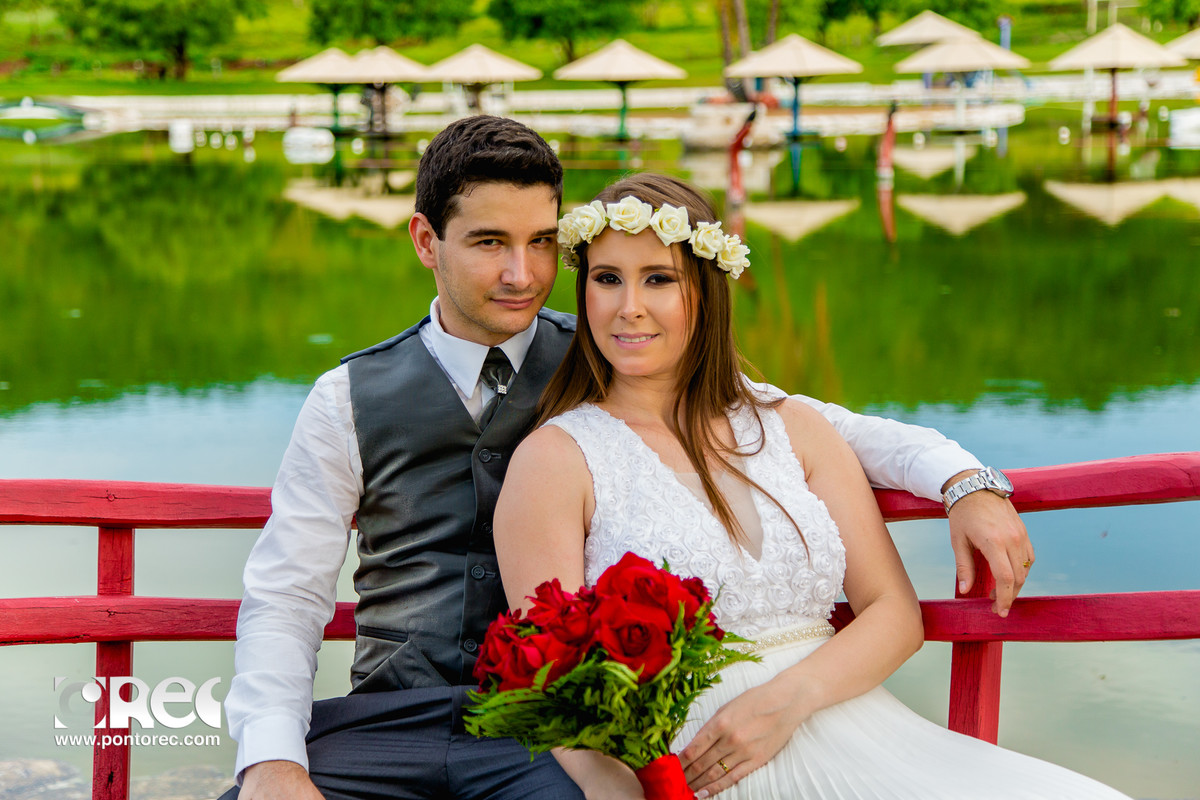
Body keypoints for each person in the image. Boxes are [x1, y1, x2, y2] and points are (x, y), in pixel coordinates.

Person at [222, 117, 1031, 800]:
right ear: (426, 240)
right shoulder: (347, 398)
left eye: (543, 243)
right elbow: (288, 592)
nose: (523, 273)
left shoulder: (619, 350)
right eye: (490, 243)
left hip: (548, 734)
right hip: (395, 717)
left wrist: (963, 479)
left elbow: (807, 427)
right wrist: (270, 758)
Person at [494, 173, 1131, 800]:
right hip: (690, 765)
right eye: (607, 279)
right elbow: (550, 674)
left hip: (843, 718)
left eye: (659, 279)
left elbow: (893, 612)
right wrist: (618, 788)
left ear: (706, 293)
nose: (628, 306)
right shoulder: (556, 459)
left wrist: (967, 483)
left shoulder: (790, 427)